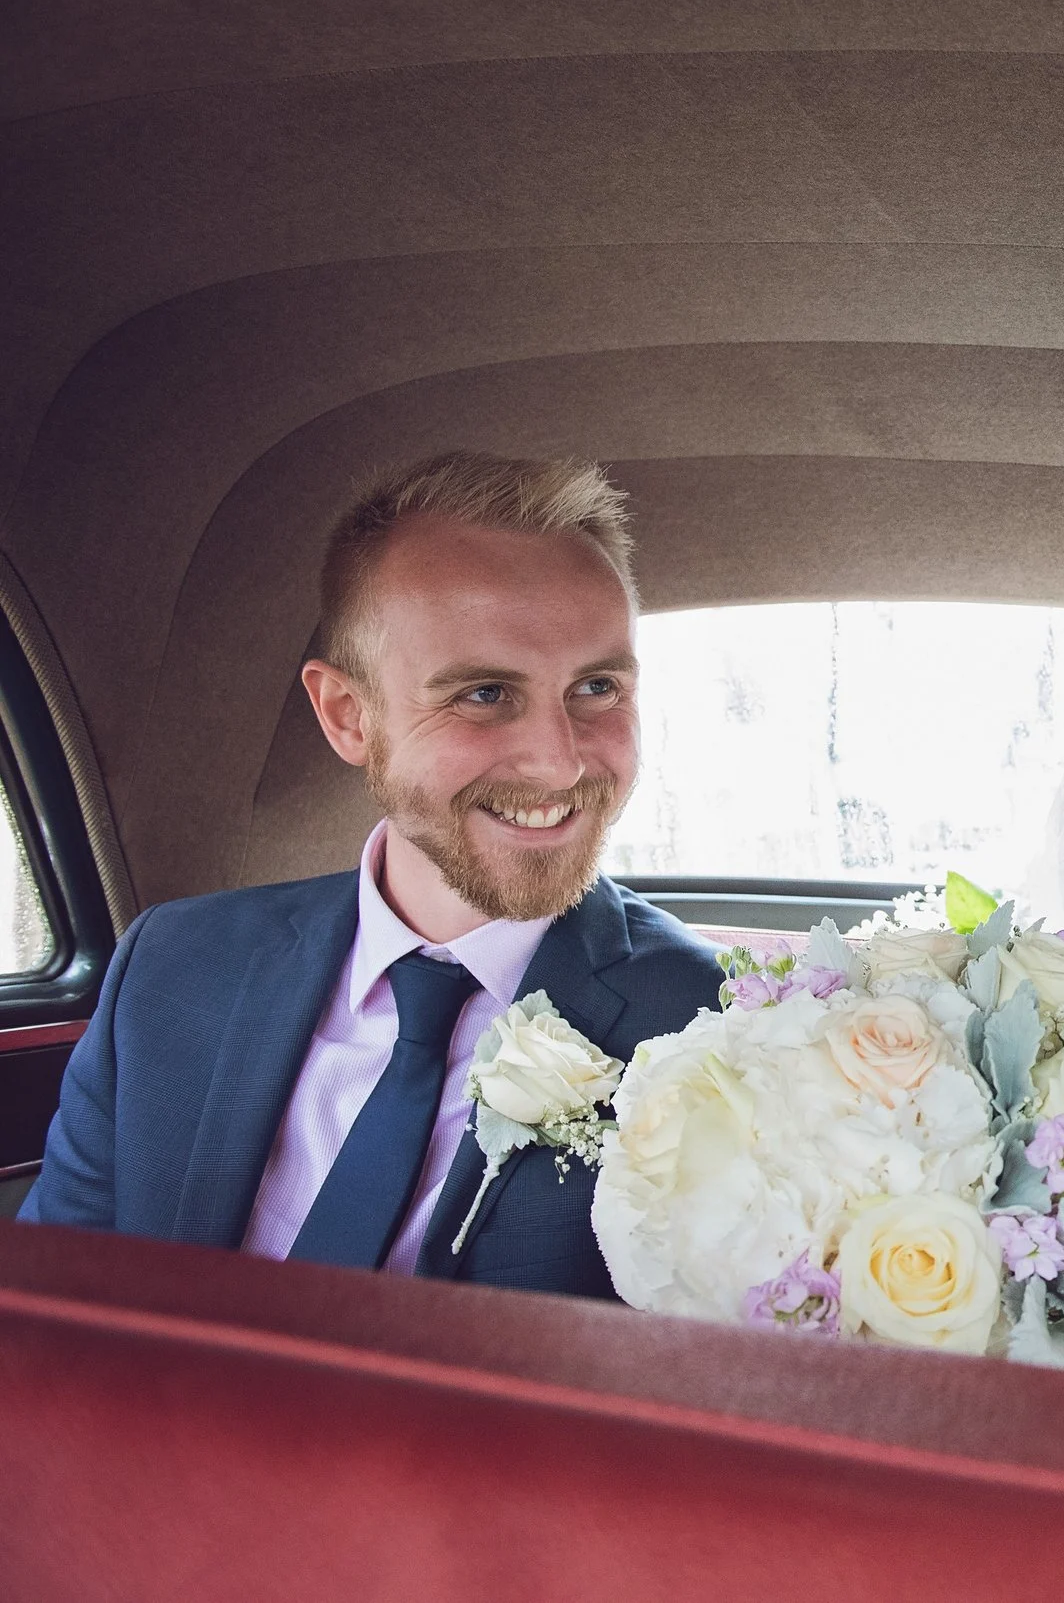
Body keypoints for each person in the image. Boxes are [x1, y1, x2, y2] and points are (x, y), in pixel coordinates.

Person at [20, 452, 721, 1298]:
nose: (559, 762)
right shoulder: (172, 966)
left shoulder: (713, 1030)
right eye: (486, 693)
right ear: (348, 716)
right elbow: (50, 1313)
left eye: (597, 686)